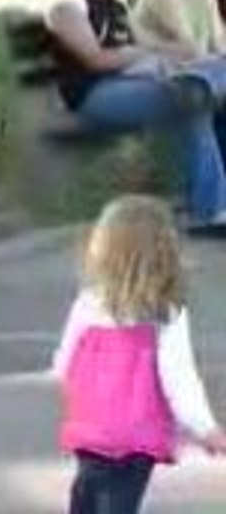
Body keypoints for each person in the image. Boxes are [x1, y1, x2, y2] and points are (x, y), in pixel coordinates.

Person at [52, 195, 226, 514]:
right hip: (135, 436)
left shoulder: (88, 302)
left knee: (87, 492)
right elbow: (179, 379)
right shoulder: (164, 314)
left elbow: (63, 363)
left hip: (90, 427)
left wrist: (86, 397)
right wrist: (206, 429)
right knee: (120, 501)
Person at [45, 0, 226, 227]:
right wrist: (142, 54)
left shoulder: (115, 4)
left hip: (132, 82)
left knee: (197, 98)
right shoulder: (66, 6)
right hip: (93, 95)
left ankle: (211, 203)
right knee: (189, 100)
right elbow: (96, 59)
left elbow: (146, 44)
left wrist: (160, 53)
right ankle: (209, 212)